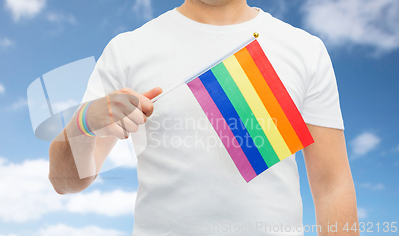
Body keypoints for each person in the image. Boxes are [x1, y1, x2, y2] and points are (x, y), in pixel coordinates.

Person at [48, 0, 359, 235]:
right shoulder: (127, 50)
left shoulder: (304, 49)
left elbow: (333, 184)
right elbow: (65, 182)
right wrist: (84, 122)